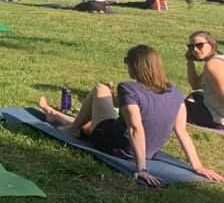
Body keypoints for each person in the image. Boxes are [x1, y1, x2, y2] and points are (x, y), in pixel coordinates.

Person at [37, 45, 224, 186]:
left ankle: (71, 128)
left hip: (118, 145)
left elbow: (136, 128)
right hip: (148, 149)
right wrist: (197, 166)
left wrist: (141, 169)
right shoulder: (175, 92)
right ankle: (57, 116)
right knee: (97, 120)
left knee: (100, 89)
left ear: (135, 66)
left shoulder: (128, 88)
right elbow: (181, 131)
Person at [185, 31, 224, 129]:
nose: (195, 50)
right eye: (191, 47)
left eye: (199, 45)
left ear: (211, 44)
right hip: (214, 110)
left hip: (216, 117)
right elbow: (195, 85)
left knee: (175, 105)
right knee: (195, 95)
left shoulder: (213, 64)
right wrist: (190, 61)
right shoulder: (217, 60)